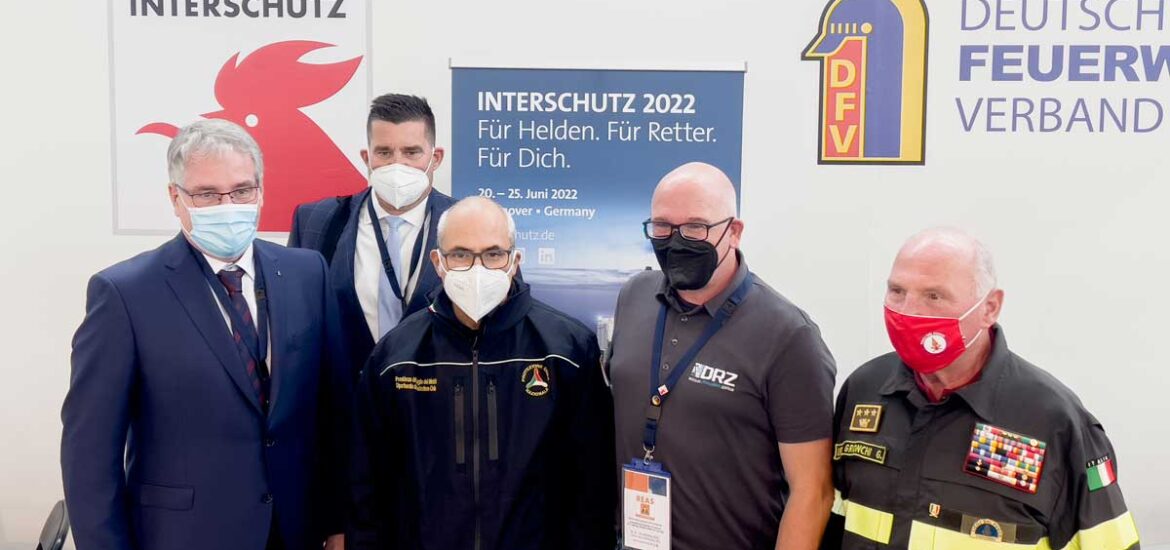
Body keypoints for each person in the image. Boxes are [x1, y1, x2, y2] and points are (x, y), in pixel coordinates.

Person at [61, 120, 349, 550]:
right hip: (183, 535)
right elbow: (89, 452)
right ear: (175, 198)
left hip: (294, 530)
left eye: (241, 190)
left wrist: (338, 521)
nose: (227, 205)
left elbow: (335, 411)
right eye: (207, 194)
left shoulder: (308, 273)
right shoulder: (124, 294)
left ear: (261, 191)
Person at [824, 227, 1140, 549]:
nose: (909, 310)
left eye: (934, 296)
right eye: (897, 291)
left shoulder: (1055, 421)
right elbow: (830, 518)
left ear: (990, 307)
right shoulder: (864, 390)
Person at [348, 197, 616, 550]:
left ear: (514, 261)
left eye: (493, 254)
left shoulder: (567, 350)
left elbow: (592, 483)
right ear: (438, 262)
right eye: (460, 254)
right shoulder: (395, 357)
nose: (478, 268)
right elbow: (368, 483)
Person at [608, 162, 837, 550]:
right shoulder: (634, 296)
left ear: (734, 232)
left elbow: (812, 492)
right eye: (662, 227)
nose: (676, 241)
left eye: (695, 227)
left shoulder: (788, 336)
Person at [289, 93, 454, 371]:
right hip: (344, 393)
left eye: (411, 152)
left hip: (436, 394)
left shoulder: (472, 225)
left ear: (435, 158)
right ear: (367, 157)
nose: (397, 164)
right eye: (384, 152)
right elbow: (293, 320)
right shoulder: (316, 221)